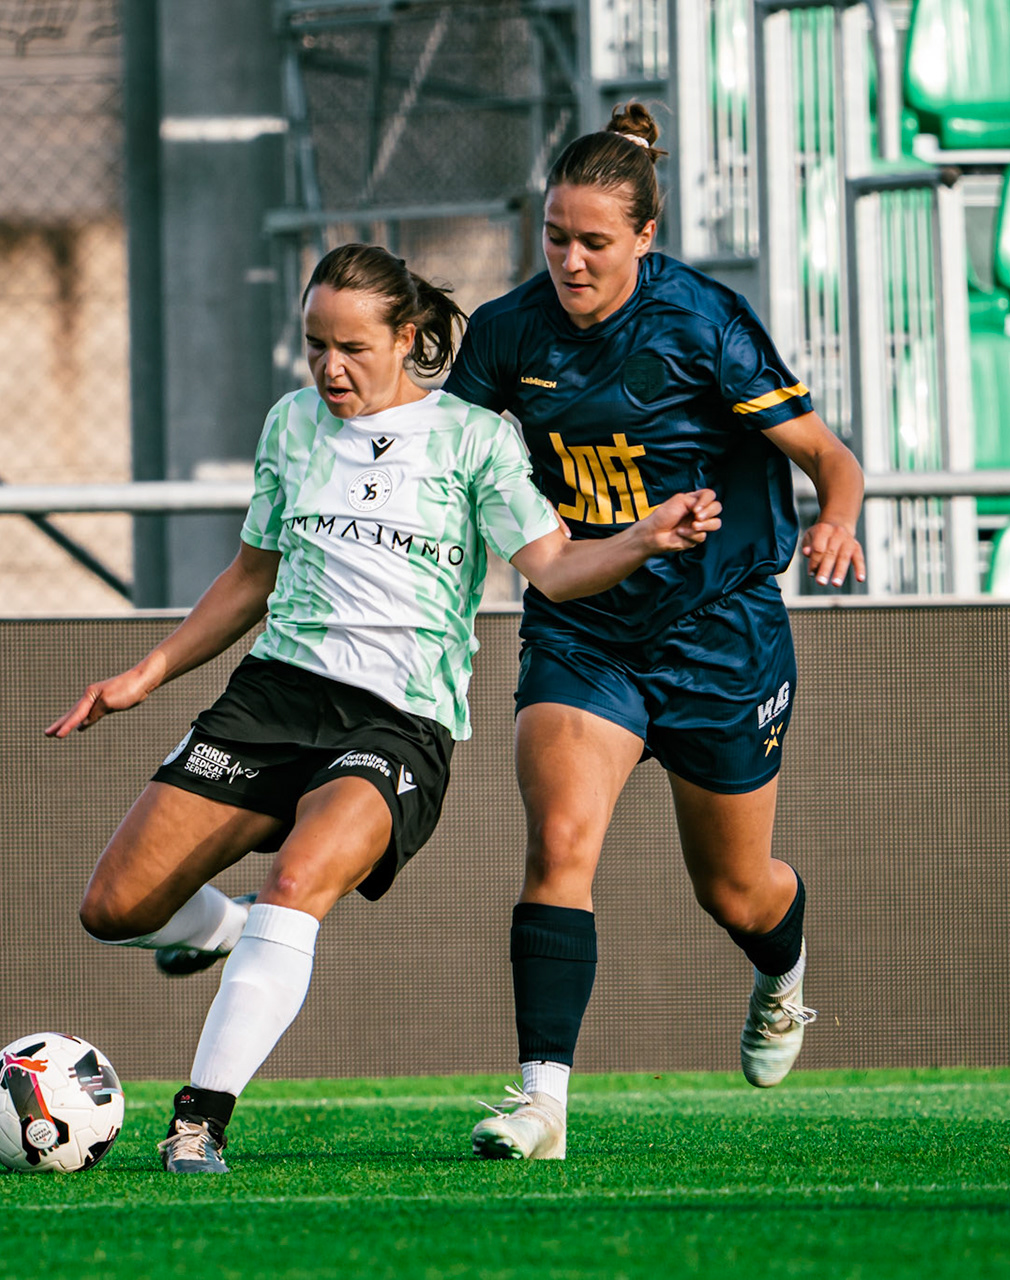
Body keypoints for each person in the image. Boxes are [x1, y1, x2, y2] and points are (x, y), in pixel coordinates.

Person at [46, 242, 722, 1175]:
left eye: (352, 347)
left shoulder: (474, 439)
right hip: (274, 695)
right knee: (113, 908)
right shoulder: (290, 425)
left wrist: (646, 538)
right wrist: (144, 676)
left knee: (299, 883)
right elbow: (252, 577)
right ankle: (226, 929)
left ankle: (198, 1121)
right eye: (315, 343)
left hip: (396, 722)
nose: (329, 366)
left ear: (408, 338)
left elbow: (556, 570)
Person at [445, 103, 867, 1161]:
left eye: (595, 241)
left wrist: (838, 523)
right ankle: (542, 1100)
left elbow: (830, 457)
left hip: (720, 631)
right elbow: (445, 456)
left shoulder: (707, 325)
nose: (571, 260)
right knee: (561, 842)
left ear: (646, 235)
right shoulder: (509, 332)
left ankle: (782, 973)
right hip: (585, 624)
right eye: (555, 236)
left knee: (736, 888)